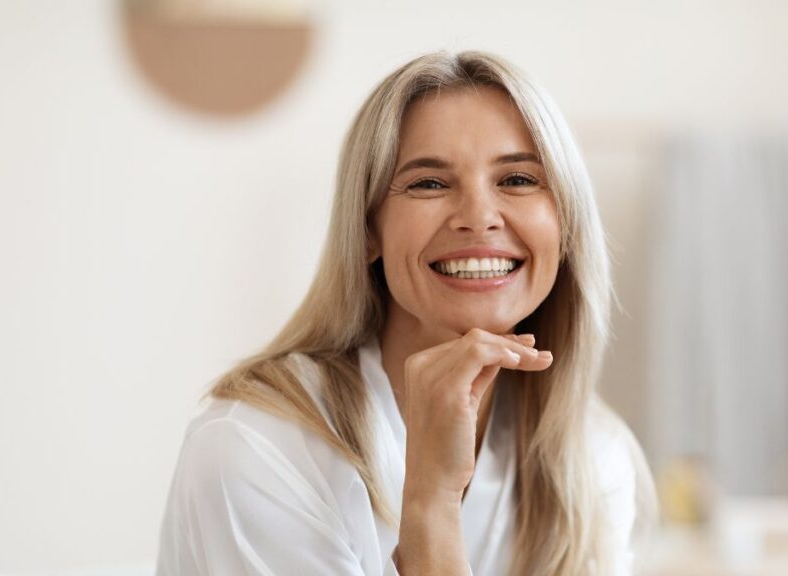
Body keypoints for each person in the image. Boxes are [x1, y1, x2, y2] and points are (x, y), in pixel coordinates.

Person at [156, 49, 658, 576]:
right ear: (368, 229)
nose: (479, 218)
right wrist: (431, 506)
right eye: (429, 183)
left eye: (516, 180)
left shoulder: (590, 458)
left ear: (565, 225)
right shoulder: (257, 449)